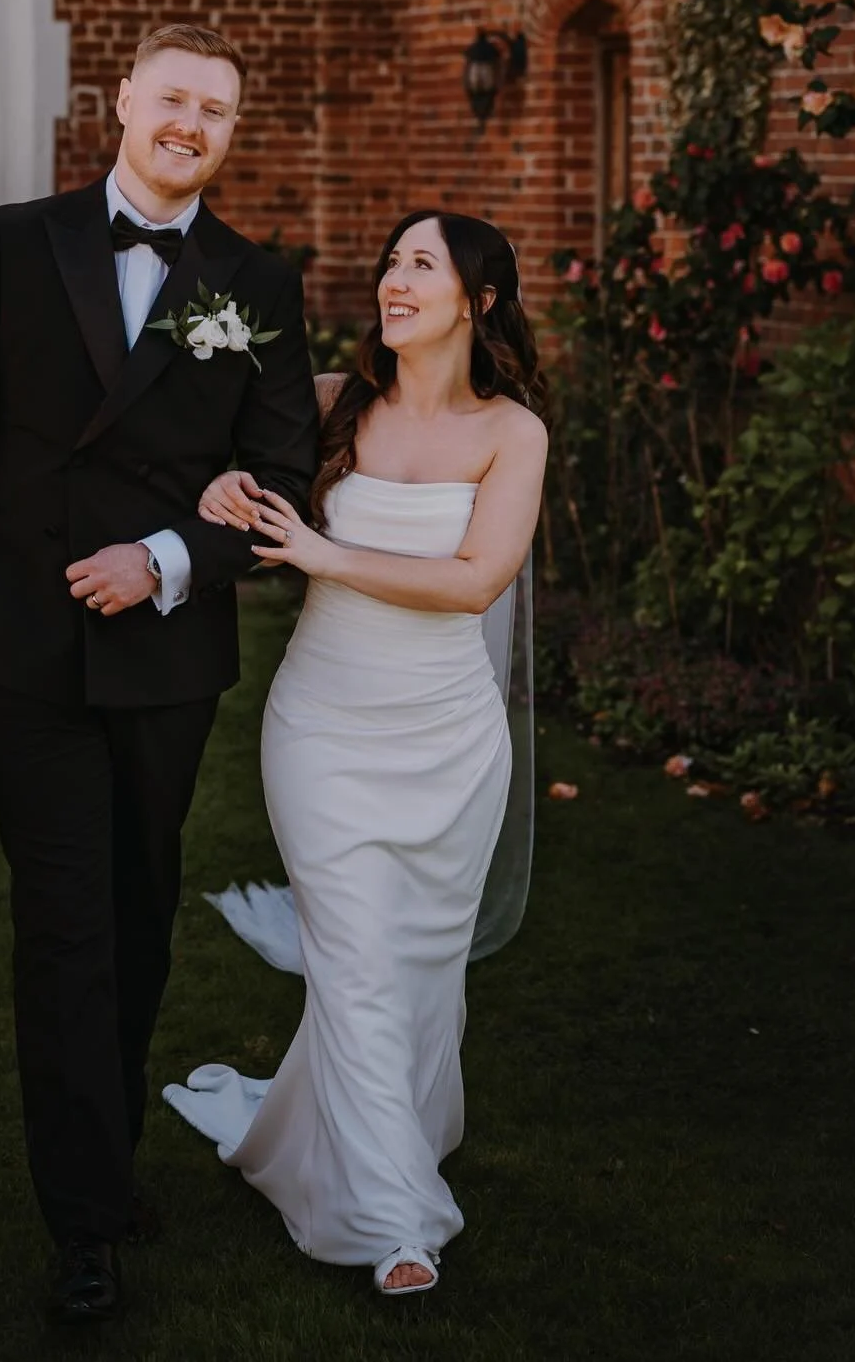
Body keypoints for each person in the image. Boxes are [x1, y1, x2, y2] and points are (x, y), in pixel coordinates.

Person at [0, 24, 319, 1326]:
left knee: (139, 911)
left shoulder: (258, 280)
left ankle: (101, 1158)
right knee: (65, 923)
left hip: (167, 653)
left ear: (230, 131)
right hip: (26, 645)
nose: (190, 123)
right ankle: (85, 1220)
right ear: (123, 102)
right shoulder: (19, 241)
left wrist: (165, 556)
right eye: (174, 98)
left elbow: (285, 478)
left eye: (215, 109)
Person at [164, 210, 548, 1297]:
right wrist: (220, 490)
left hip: (449, 739)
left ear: (477, 300)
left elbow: (476, 580)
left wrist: (325, 552)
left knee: (417, 967)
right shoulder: (332, 400)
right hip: (324, 729)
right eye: (391, 261)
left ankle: (373, 1132)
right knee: (357, 964)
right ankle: (399, 1221)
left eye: (422, 263)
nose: (394, 279)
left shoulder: (512, 433)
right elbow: (231, 483)